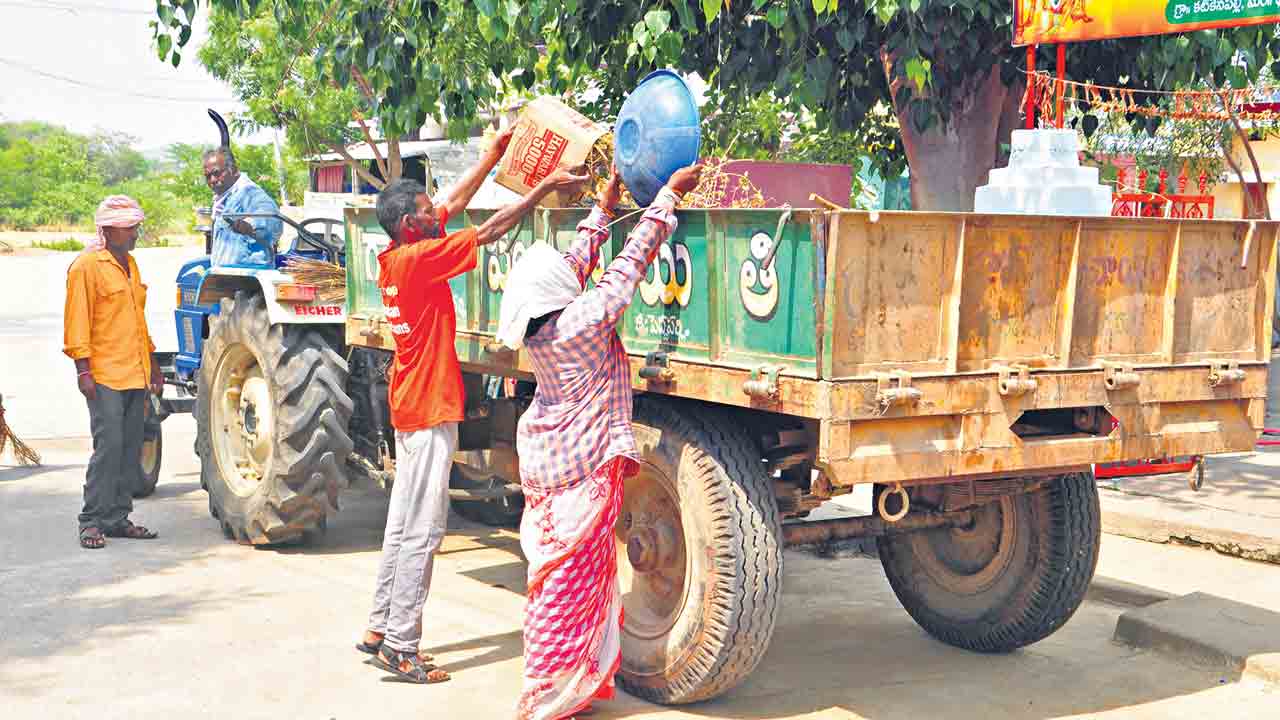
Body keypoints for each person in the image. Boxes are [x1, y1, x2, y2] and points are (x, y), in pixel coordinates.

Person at [358, 125, 589, 685]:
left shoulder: (399, 253)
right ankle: (401, 644)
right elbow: (486, 229)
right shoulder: (418, 261)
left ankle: (377, 626)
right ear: (412, 225)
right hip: (429, 409)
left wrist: (492, 155)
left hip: (412, 403)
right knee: (425, 530)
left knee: (400, 523)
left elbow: (454, 203)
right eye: (425, 209)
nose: (436, 210)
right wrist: (542, 189)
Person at [496, 163, 703, 720]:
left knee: (555, 581)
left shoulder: (543, 324)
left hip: (547, 461)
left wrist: (603, 207)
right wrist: (664, 198)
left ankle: (566, 684)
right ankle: (547, 696)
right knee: (568, 587)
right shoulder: (582, 322)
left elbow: (574, 265)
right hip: (578, 470)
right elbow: (627, 267)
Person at [63, 195, 163, 550]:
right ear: (107, 230)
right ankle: (90, 521)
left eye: (136, 226)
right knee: (109, 446)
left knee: (130, 447)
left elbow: (137, 319)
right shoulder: (86, 267)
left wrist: (152, 364)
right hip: (103, 374)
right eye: (130, 227)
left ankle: (117, 517)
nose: (136, 233)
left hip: (135, 371)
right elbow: (76, 322)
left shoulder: (131, 264)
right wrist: (82, 371)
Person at [204, 147, 283, 267]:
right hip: (226, 275)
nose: (212, 180)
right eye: (208, 176)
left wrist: (251, 224)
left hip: (248, 276)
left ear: (233, 170)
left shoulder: (248, 192)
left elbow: (272, 217)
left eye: (216, 173)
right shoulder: (224, 199)